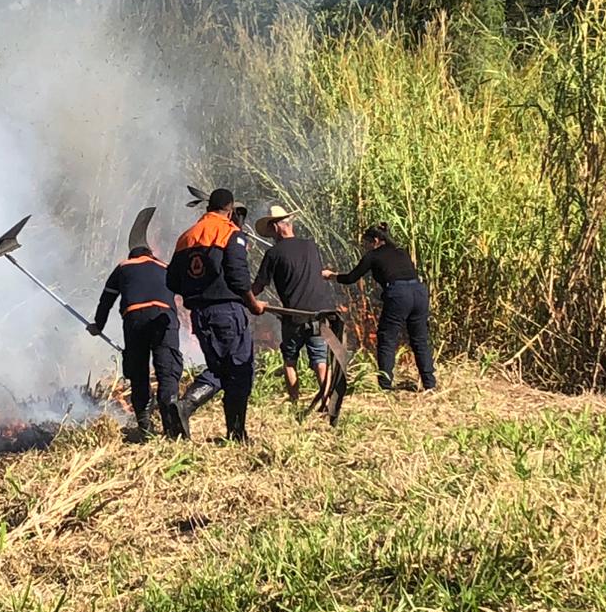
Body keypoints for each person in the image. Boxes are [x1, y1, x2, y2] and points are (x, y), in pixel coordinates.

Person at [165, 188, 266, 441]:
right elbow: (238, 277)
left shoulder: (185, 237)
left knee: (219, 368)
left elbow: (172, 282)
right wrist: (252, 304)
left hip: (200, 314)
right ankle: (231, 429)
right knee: (239, 369)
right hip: (228, 312)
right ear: (230, 209)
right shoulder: (231, 233)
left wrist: (198, 289)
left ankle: (188, 408)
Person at [323, 222, 436, 392]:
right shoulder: (401, 252)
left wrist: (331, 275)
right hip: (419, 292)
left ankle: (385, 385)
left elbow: (351, 278)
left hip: (399, 294)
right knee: (419, 338)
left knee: (387, 338)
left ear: (375, 240)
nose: (365, 247)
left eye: (366, 243)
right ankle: (429, 383)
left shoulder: (373, 256)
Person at [88, 245, 183, 438]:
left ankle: (145, 428)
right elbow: (184, 292)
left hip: (135, 319)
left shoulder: (124, 266)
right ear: (150, 256)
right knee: (167, 372)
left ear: (132, 256)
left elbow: (106, 300)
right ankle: (172, 429)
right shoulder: (164, 266)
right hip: (164, 317)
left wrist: (98, 326)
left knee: (138, 372)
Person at [251, 205, 335, 404]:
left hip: (293, 316)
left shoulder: (273, 254)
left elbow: (259, 286)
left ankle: (295, 402)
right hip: (318, 314)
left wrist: (246, 298)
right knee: (320, 360)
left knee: (290, 360)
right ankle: (326, 402)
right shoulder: (311, 246)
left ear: (276, 227)